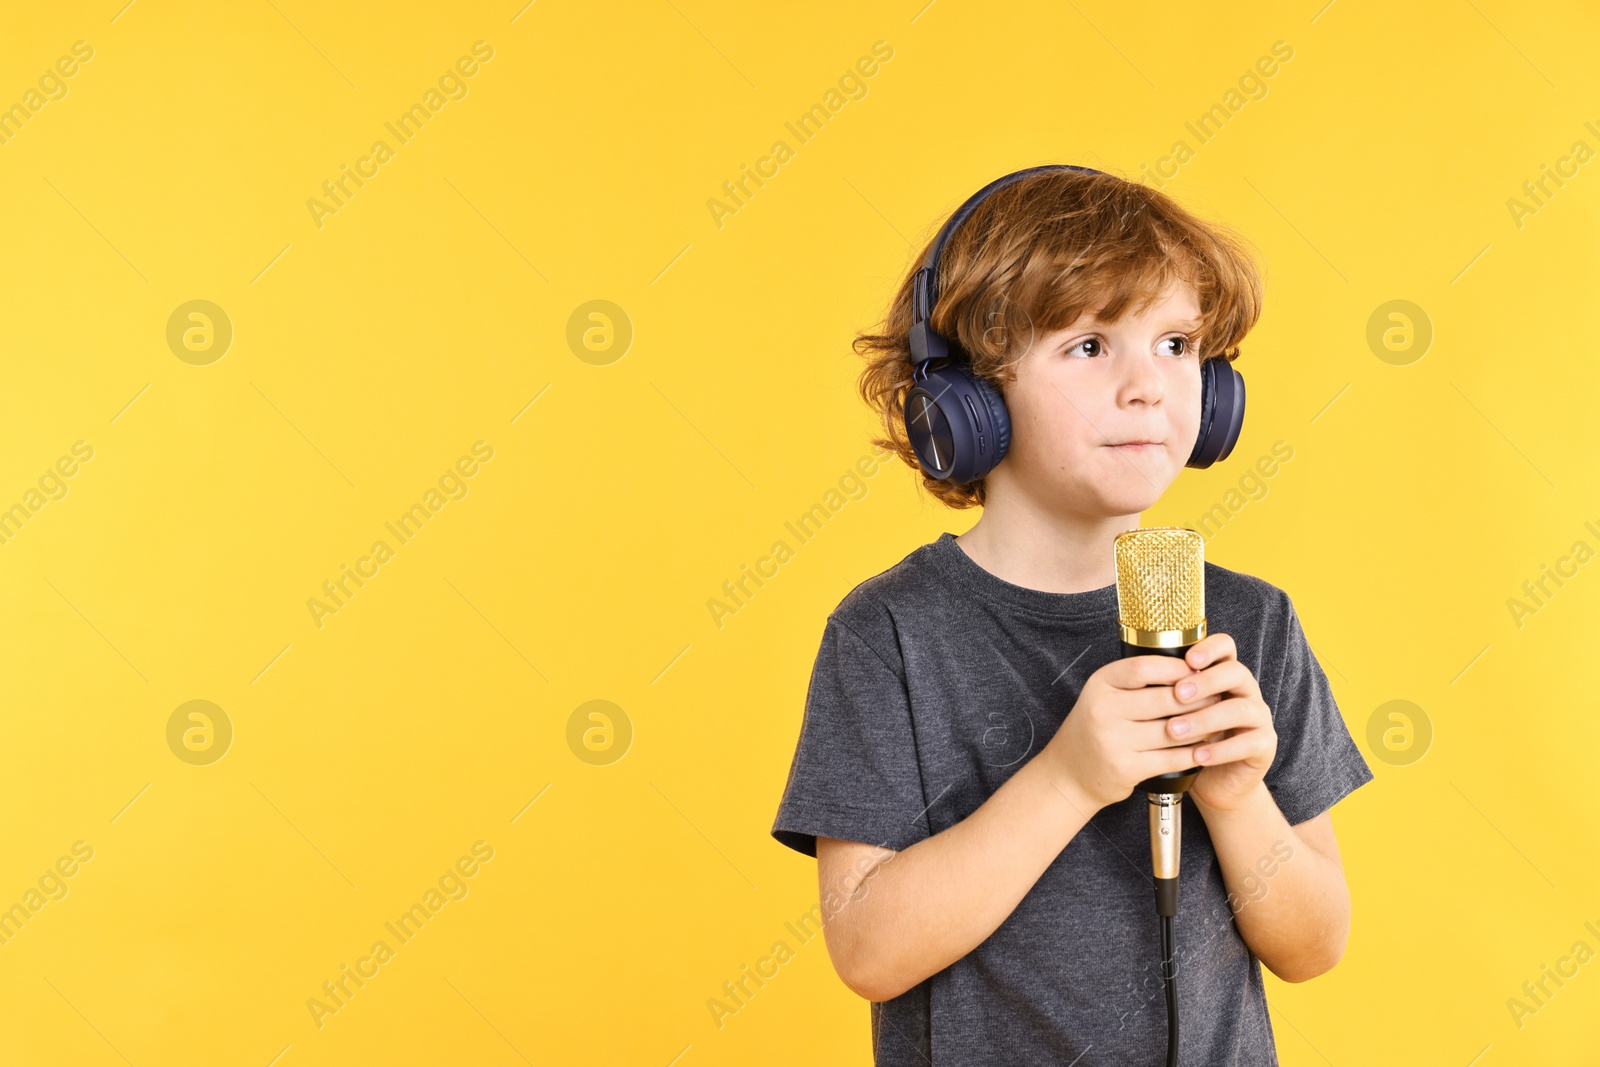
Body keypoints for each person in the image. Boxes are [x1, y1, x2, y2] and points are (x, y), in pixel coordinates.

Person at [769, 166, 1374, 1064]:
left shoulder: (1251, 620)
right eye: (1091, 346)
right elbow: (867, 949)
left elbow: (1314, 943)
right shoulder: (891, 632)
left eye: (1175, 345)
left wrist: (1237, 798)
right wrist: (1069, 778)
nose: (1150, 388)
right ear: (967, 400)